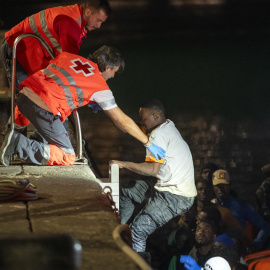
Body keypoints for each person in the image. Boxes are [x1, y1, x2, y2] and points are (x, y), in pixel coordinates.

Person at [0, 46, 165, 167]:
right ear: (107, 67)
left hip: (23, 98)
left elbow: (61, 82)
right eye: (114, 71)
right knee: (68, 156)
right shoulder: (100, 86)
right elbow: (121, 120)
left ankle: (18, 135)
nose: (113, 76)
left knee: (54, 120)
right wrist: (147, 142)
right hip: (43, 108)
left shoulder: (67, 56)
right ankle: (17, 144)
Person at [110, 98, 197, 263]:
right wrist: (112, 115)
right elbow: (130, 127)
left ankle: (136, 264)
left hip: (176, 196)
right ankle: (120, 230)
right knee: (128, 190)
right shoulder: (166, 124)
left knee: (138, 231)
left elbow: (152, 170)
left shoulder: (159, 134)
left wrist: (124, 164)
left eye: (144, 119)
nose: (142, 122)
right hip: (166, 188)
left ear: (156, 116)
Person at [1, 0, 112, 90]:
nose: (99, 26)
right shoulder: (70, 23)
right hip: (17, 48)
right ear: (88, 12)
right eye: (98, 20)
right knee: (24, 97)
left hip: (28, 51)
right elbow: (69, 61)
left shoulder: (76, 19)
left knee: (29, 97)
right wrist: (90, 81)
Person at [212, 169, 270, 253]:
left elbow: (265, 227)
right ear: (213, 187)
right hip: (215, 252)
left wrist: (256, 244)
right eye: (218, 185)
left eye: (224, 185)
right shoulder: (210, 207)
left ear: (229, 185)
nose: (221, 189)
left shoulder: (241, 206)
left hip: (237, 253)